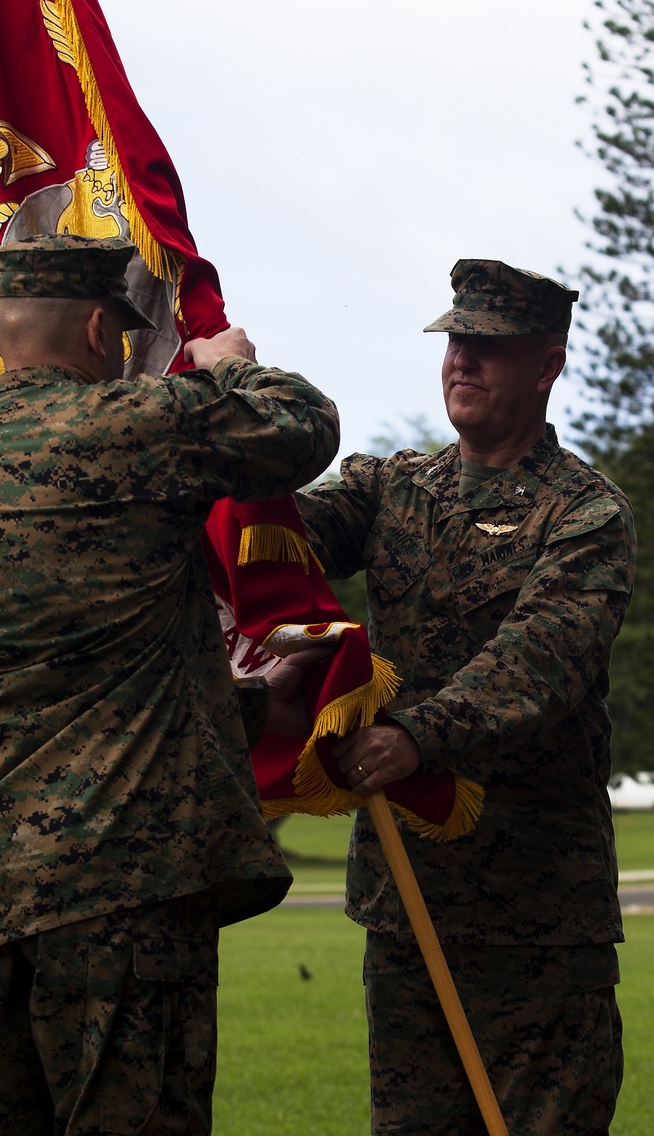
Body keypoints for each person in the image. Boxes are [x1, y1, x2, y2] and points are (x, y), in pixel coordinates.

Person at [0, 233, 340, 1135]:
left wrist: (253, 707)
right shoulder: (132, 426)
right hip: (114, 897)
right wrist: (228, 367)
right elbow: (303, 427)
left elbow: (49, 680)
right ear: (102, 330)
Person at [297, 260, 637, 1136]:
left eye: (488, 347)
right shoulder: (391, 488)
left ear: (548, 364)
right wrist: (223, 410)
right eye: (455, 342)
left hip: (537, 913)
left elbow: (545, 655)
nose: (462, 363)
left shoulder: (585, 513)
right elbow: (274, 541)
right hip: (410, 902)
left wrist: (420, 734)